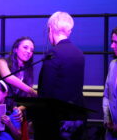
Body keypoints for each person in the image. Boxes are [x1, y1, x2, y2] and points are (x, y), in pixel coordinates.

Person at [35, 11, 86, 140]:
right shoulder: (79, 53)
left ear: (51, 28)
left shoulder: (53, 53)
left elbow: (46, 90)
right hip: (77, 117)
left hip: (56, 121)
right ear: (69, 31)